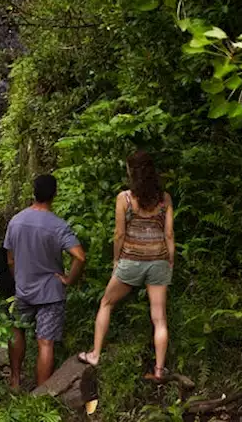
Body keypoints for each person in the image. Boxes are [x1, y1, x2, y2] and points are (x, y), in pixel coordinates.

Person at [77, 150, 175, 381]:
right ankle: (159, 370)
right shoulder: (165, 198)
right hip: (158, 260)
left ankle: (95, 354)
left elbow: (119, 233)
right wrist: (170, 260)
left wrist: (115, 259)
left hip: (131, 259)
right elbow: (169, 234)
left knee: (106, 302)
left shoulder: (125, 199)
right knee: (159, 317)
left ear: (132, 172)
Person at [4, 173, 87, 389]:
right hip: (50, 292)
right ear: (54, 195)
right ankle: (41, 393)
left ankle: (14, 380)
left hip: (23, 288)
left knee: (16, 329)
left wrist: (18, 278)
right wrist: (69, 279)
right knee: (45, 342)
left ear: (34, 193)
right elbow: (79, 256)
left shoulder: (16, 221)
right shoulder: (57, 225)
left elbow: (10, 259)